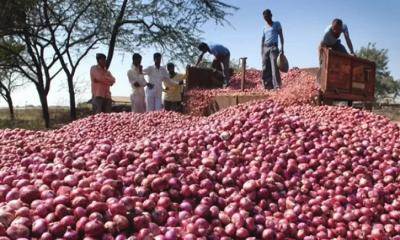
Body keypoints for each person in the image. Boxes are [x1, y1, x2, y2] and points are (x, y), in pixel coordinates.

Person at [261, 9, 284, 90]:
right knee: (265, 67)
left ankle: (277, 86)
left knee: (274, 67)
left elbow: (281, 35)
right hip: (265, 48)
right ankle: (268, 86)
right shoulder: (264, 27)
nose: (266, 19)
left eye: (267, 16)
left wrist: (282, 48)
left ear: (271, 15)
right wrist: (262, 51)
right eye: (264, 17)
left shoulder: (277, 24)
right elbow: (262, 39)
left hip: (273, 47)